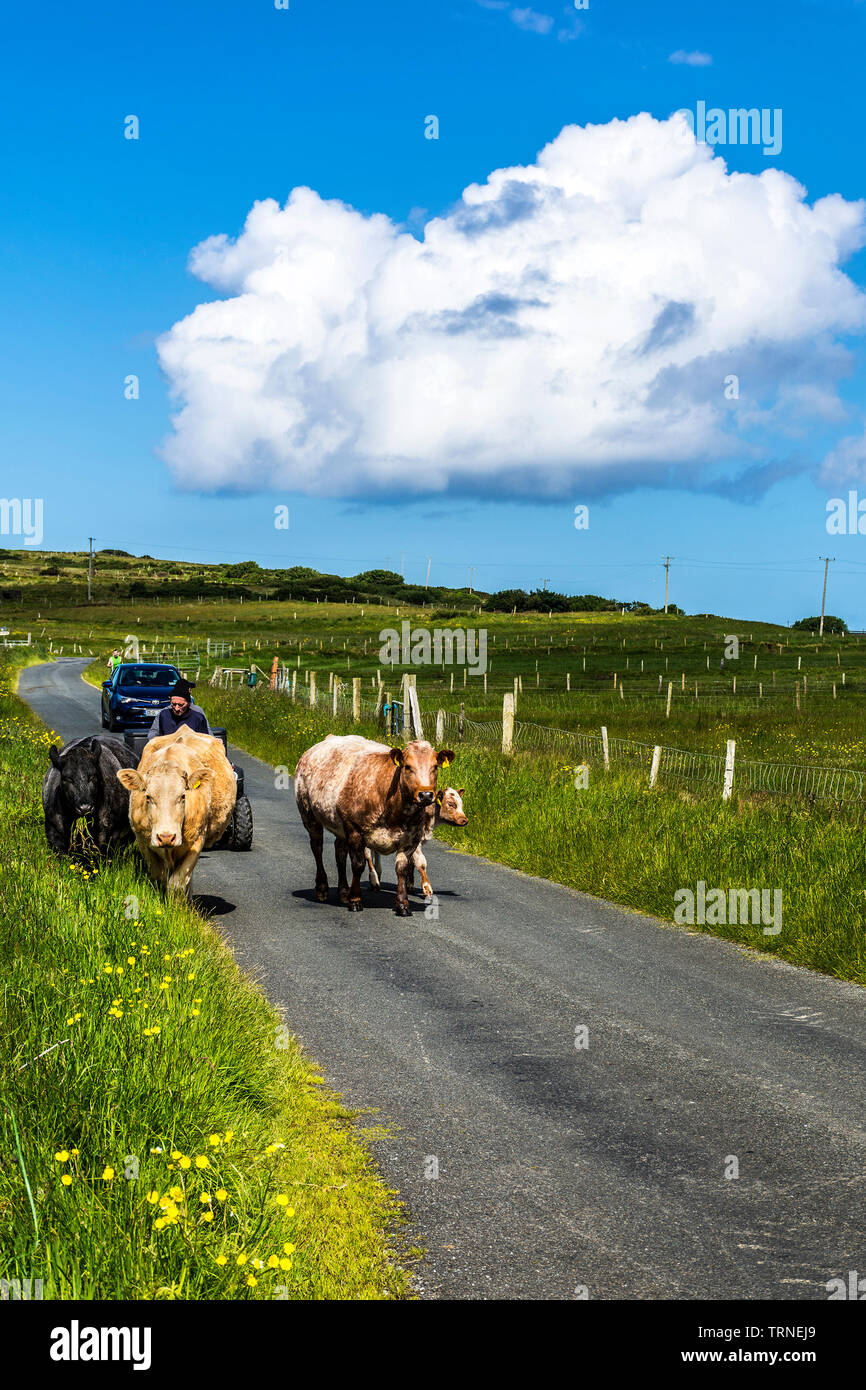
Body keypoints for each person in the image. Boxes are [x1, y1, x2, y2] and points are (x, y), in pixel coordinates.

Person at [146, 677, 211, 742]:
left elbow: (207, 734)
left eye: (181, 705)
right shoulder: (163, 714)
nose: (176, 708)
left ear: (188, 702)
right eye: (173, 704)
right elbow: (153, 732)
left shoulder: (198, 714)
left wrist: (214, 741)